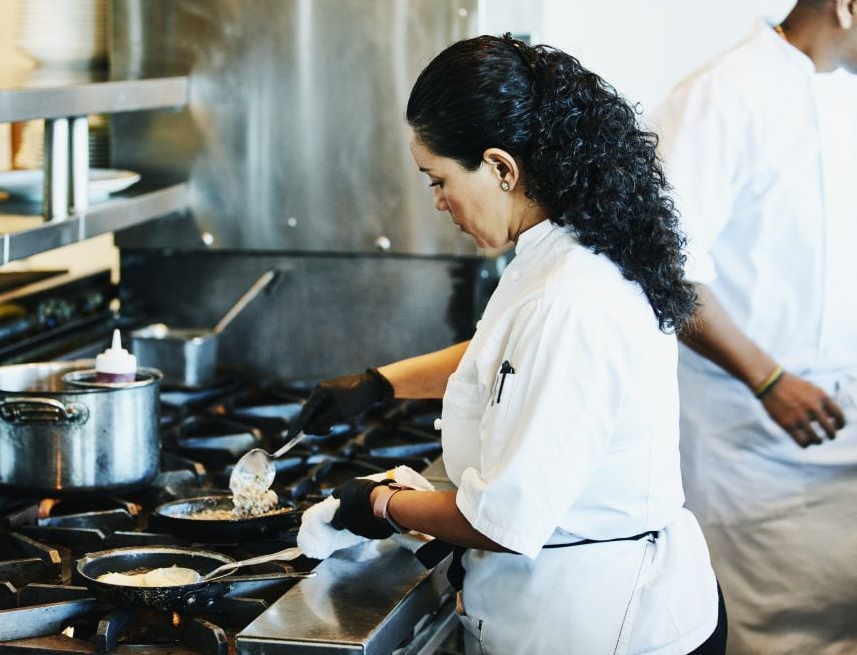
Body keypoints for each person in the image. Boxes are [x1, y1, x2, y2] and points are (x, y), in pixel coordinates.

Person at [287, 35, 725, 655]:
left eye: (438, 179)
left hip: (608, 627)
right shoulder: (565, 250)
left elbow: (501, 521)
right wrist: (379, 383)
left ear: (500, 168)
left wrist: (382, 503)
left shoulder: (571, 298)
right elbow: (503, 354)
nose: (438, 201)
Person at [649, 0, 857, 652]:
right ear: (850, 3)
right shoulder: (716, 98)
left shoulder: (849, 92)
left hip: (846, 408)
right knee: (774, 634)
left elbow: (853, 224)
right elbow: (668, 271)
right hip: (746, 430)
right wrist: (769, 379)